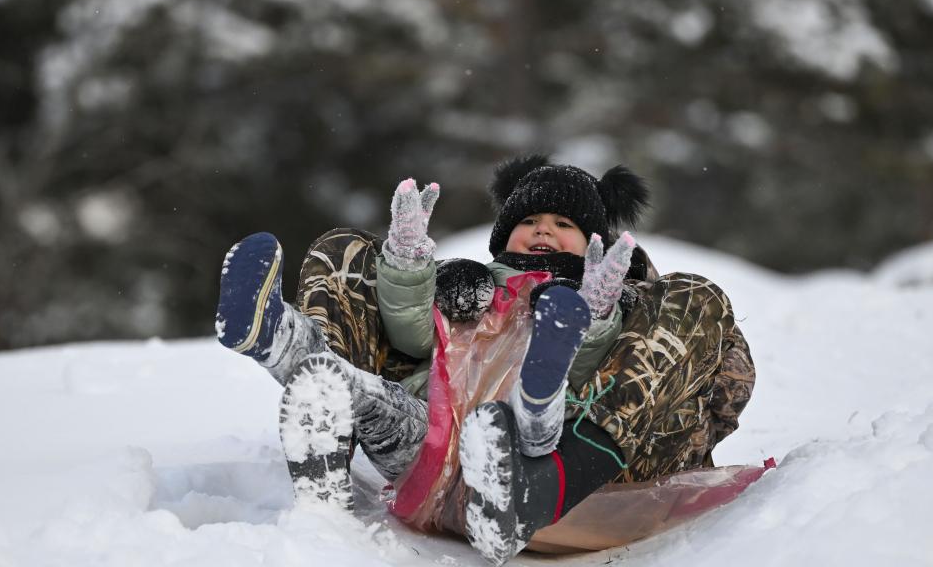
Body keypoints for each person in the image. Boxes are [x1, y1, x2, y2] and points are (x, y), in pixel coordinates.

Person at [214, 154, 755, 565]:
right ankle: (295, 354)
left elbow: (600, 367)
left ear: (595, 242)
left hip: (573, 466)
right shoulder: (474, 286)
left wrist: (593, 308)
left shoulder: (628, 301)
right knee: (354, 286)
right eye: (531, 219)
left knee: (675, 308)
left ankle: (538, 475)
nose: (544, 229)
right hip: (439, 445)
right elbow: (410, 337)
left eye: (564, 224)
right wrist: (409, 263)